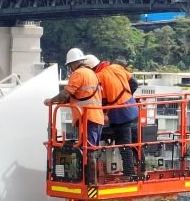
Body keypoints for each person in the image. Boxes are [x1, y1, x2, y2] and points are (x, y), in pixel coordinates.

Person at [45, 47, 105, 183]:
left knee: (88, 149)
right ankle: (90, 180)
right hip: (96, 117)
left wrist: (51, 101)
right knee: (91, 149)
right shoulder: (91, 73)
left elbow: (65, 94)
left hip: (87, 117)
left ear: (72, 64)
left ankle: (90, 182)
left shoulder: (78, 74)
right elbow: (78, 95)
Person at [87, 55, 139, 180]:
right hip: (133, 108)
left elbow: (102, 99)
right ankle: (141, 170)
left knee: (124, 144)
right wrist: (126, 97)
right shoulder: (117, 67)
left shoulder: (99, 76)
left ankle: (129, 174)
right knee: (137, 143)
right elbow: (134, 83)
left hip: (120, 115)